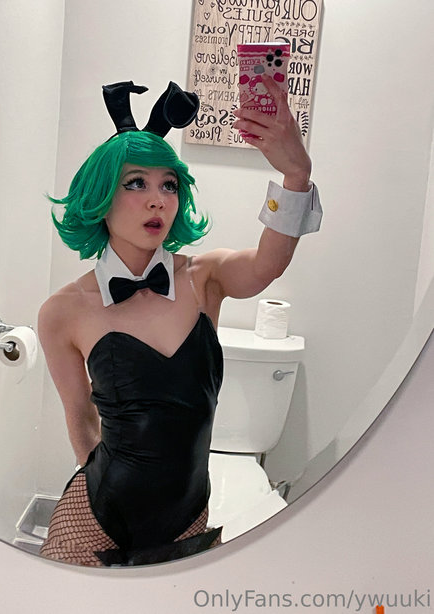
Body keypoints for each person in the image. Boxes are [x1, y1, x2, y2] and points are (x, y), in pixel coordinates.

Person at [38, 77, 322, 567]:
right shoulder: (62, 311)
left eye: (168, 184)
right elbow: (79, 416)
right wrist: (105, 485)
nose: (158, 200)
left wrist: (296, 174)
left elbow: (268, 263)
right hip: (96, 515)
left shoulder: (204, 278)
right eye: (136, 183)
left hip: (187, 514)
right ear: (100, 195)